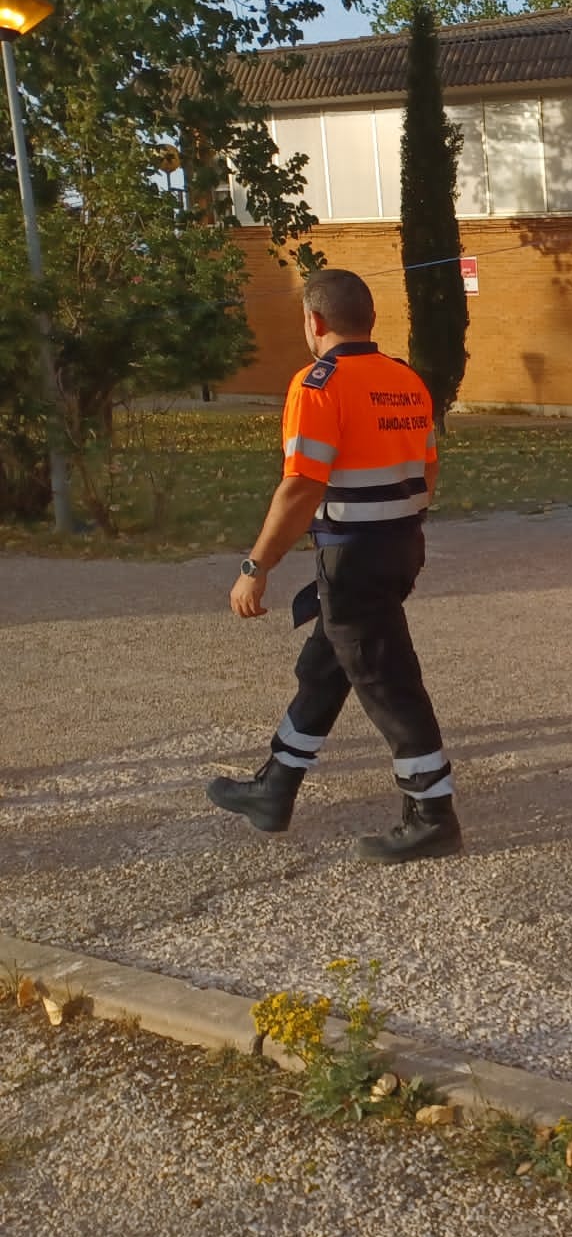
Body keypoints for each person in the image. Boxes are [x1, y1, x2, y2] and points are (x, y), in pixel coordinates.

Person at [207, 268, 461, 863]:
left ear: (314, 323)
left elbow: (301, 485)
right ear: (368, 321)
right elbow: (428, 472)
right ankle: (275, 787)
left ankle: (433, 813)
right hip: (400, 546)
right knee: (325, 667)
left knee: (385, 680)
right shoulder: (406, 381)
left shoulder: (318, 384)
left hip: (353, 555)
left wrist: (257, 563)